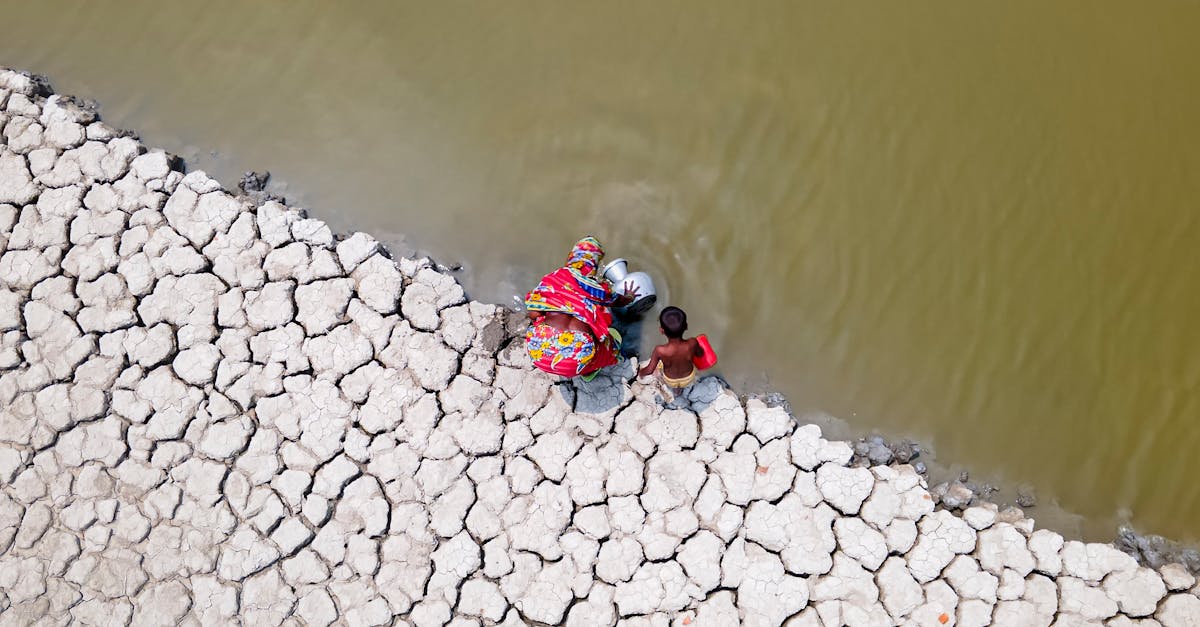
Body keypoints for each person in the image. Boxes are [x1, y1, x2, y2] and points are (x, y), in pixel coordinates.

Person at [524, 236, 639, 378]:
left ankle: (580, 363)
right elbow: (619, 301)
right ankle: (589, 368)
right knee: (609, 343)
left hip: (539, 353)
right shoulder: (595, 287)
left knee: (543, 319)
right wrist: (630, 296)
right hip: (576, 358)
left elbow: (533, 313)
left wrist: (551, 312)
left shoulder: (553, 278)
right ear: (593, 267)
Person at [638, 306, 703, 391]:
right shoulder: (692, 343)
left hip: (670, 380)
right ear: (686, 326)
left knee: (660, 365)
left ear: (662, 331)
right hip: (688, 378)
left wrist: (640, 373)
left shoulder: (660, 350)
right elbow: (700, 354)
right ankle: (679, 388)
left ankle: (675, 388)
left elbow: (649, 370)